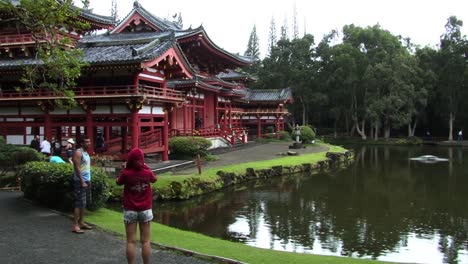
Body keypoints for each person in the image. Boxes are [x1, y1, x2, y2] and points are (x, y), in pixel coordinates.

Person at [116, 148, 157, 264]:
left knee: (130, 241)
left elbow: (118, 182)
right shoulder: (147, 172)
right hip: (145, 209)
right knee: (145, 241)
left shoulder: (126, 173)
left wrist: (125, 168)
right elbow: (154, 179)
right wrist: (146, 167)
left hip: (130, 209)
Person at [71, 136, 93, 234]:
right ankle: (75, 225)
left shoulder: (86, 153)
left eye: (89, 141)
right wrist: (82, 181)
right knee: (79, 202)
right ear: (82, 143)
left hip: (87, 179)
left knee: (83, 203)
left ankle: (81, 222)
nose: (89, 143)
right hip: (80, 181)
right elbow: (77, 167)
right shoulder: (78, 153)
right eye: (87, 142)